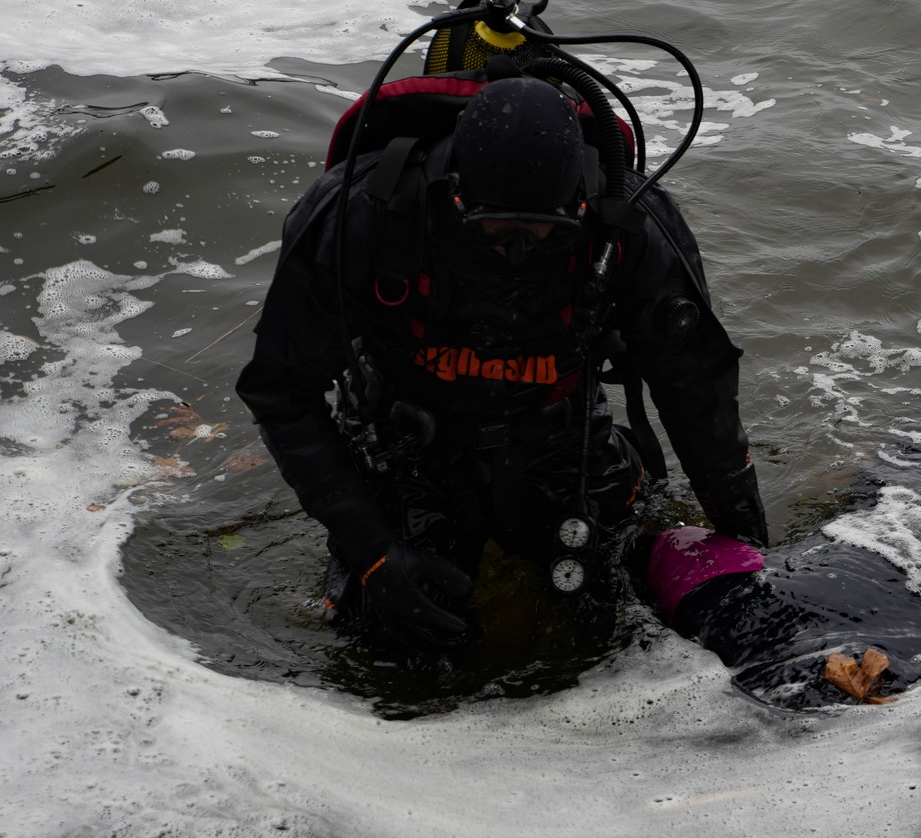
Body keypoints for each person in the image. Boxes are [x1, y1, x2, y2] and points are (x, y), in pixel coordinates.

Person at [237, 74, 772, 658]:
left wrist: (749, 549)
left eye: (541, 233)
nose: (516, 251)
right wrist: (371, 551)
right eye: (494, 230)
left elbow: (696, 391)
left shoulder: (629, 224)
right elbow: (282, 392)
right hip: (407, 445)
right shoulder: (360, 213)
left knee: (630, 638)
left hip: (562, 440)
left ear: (578, 203)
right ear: (455, 191)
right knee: (394, 650)